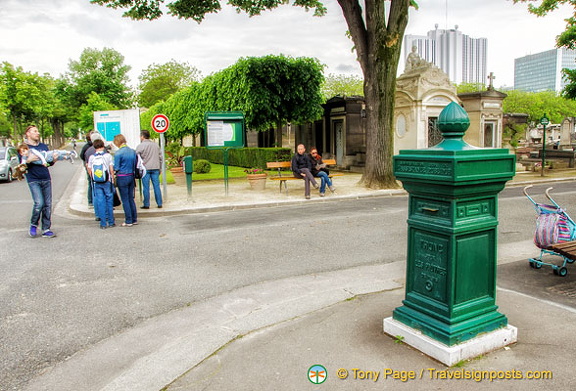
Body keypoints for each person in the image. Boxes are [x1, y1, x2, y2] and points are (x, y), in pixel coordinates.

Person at [20, 125, 56, 238]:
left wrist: (53, 160)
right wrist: (28, 161)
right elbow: (21, 167)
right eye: (35, 131)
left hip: (45, 177)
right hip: (33, 179)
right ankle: (33, 224)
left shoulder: (43, 146)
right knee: (39, 203)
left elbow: (48, 163)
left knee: (47, 204)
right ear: (28, 134)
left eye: (38, 131)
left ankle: (46, 228)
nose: (38, 133)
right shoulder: (24, 147)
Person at [87, 139, 115, 229]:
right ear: (103, 146)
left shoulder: (92, 157)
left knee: (100, 202)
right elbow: (111, 169)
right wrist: (112, 179)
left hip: (97, 182)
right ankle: (111, 221)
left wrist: (93, 178)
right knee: (109, 201)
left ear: (94, 147)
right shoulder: (108, 156)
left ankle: (103, 223)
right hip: (107, 181)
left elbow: (89, 169)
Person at [113, 134, 138, 227]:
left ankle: (128, 220)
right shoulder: (132, 151)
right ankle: (134, 218)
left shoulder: (118, 153)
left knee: (125, 200)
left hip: (122, 177)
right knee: (131, 198)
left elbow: (116, 167)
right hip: (131, 176)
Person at [136, 130, 163, 209]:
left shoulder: (140, 146)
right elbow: (160, 157)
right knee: (156, 186)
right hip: (155, 167)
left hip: (145, 169)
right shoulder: (156, 145)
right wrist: (160, 167)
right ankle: (159, 203)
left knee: (146, 187)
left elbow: (137, 157)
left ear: (142, 136)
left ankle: (146, 204)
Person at [79, 132, 94, 207]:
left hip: (88, 166)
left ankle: (90, 201)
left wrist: (86, 161)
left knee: (90, 183)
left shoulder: (86, 146)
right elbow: (81, 155)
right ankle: (91, 200)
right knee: (92, 183)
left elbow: (81, 155)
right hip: (91, 167)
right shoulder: (89, 147)